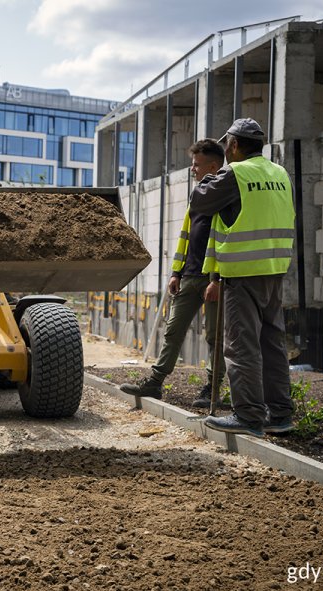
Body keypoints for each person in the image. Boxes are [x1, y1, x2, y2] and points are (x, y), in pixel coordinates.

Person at [189, 118, 296, 437]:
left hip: (243, 273)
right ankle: (280, 414)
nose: (225, 150)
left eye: (227, 145)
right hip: (274, 271)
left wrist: (207, 176)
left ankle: (248, 416)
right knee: (272, 342)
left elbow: (200, 202)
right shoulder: (280, 173)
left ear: (234, 145)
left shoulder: (236, 173)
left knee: (241, 345)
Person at [119, 139, 226, 407]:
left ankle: (212, 390)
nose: (192, 169)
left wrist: (218, 279)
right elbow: (186, 238)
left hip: (214, 277)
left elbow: (225, 239)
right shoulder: (197, 195)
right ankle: (154, 384)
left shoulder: (226, 193)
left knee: (215, 335)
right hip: (190, 275)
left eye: (197, 165)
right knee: (173, 330)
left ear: (213, 166)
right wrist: (176, 272)